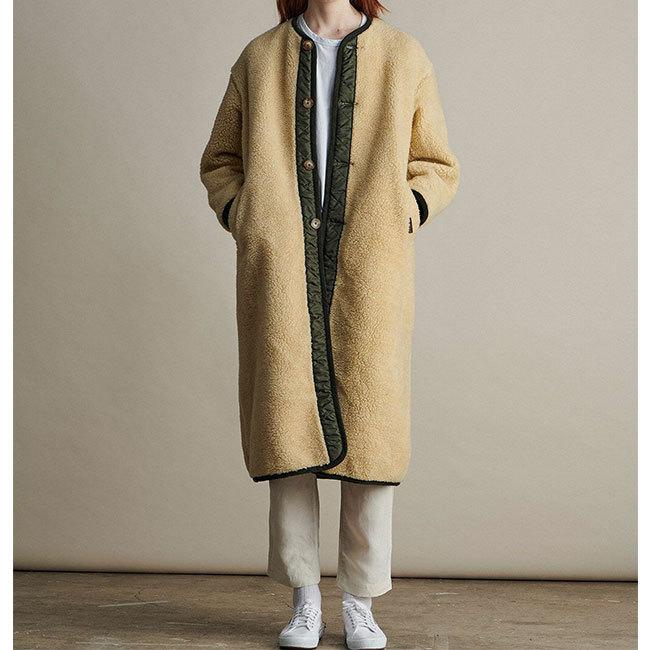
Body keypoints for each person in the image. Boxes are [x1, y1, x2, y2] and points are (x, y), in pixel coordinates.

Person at [200, 0, 459, 647]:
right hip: (281, 272)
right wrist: (245, 215)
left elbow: (436, 163)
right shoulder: (260, 59)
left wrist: (407, 207)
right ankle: (304, 601)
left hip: (371, 271)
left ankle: (360, 604)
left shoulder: (402, 56)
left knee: (372, 437)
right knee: (287, 432)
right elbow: (221, 160)